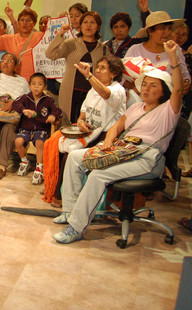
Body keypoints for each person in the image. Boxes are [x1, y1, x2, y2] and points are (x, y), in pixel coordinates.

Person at [53, 40, 183, 244]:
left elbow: (178, 90)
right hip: (123, 149)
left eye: (153, 85)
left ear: (164, 90)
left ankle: (76, 227)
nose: (147, 89)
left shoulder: (168, 110)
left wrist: (173, 57)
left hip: (147, 158)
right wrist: (108, 142)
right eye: (145, 84)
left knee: (98, 175)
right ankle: (69, 211)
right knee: (75, 157)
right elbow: (116, 127)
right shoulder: (136, 108)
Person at [43, 55, 127, 207]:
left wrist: (88, 75)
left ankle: (62, 195)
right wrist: (81, 122)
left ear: (113, 73)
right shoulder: (92, 89)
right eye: (98, 68)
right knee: (55, 142)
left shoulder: (118, 90)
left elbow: (106, 94)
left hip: (106, 136)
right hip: (88, 131)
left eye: (103, 68)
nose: (99, 71)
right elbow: (83, 112)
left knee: (71, 151)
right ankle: (53, 186)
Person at [46, 11, 110, 124]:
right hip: (70, 92)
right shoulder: (71, 43)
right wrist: (60, 34)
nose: (88, 25)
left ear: (98, 26)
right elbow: (50, 54)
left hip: (92, 94)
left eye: (92, 22)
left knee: (87, 126)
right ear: (80, 26)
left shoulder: (103, 49)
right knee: (66, 125)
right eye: (85, 22)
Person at [12, 73, 62, 184]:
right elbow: (15, 103)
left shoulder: (48, 100)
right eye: (33, 84)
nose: (36, 87)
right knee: (18, 141)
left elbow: (57, 110)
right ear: (29, 86)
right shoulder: (25, 98)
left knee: (40, 143)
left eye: (40, 84)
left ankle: (39, 167)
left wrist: (53, 115)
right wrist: (24, 110)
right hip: (26, 128)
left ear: (44, 86)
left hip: (41, 129)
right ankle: (25, 162)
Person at [124, 11, 190, 82]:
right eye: (163, 29)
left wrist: (186, 82)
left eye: (169, 29)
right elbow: (122, 76)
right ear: (150, 31)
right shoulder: (135, 50)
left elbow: (185, 75)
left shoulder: (175, 49)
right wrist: (135, 87)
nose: (167, 32)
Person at [0, 5, 44, 81]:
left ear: (34, 23)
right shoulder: (10, 38)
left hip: (35, 82)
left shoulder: (40, 36)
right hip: (15, 82)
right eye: (22, 20)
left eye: (28, 20)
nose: (24, 23)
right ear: (18, 22)